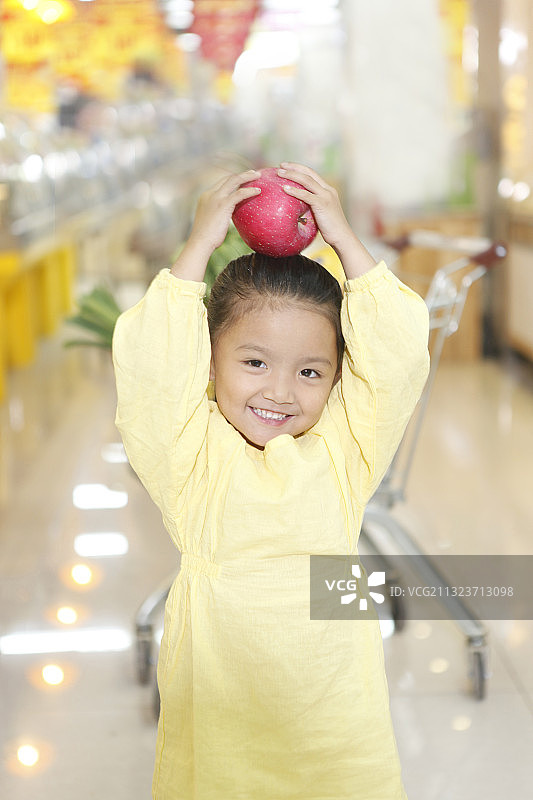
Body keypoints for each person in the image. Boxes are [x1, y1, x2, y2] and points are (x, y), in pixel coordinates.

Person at [112, 163, 430, 800]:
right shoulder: (190, 458)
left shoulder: (347, 451)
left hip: (337, 726)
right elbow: (150, 369)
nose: (280, 392)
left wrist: (343, 236)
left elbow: (395, 355)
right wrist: (198, 245)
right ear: (207, 360)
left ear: (339, 378)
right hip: (225, 724)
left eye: (311, 372)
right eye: (254, 362)